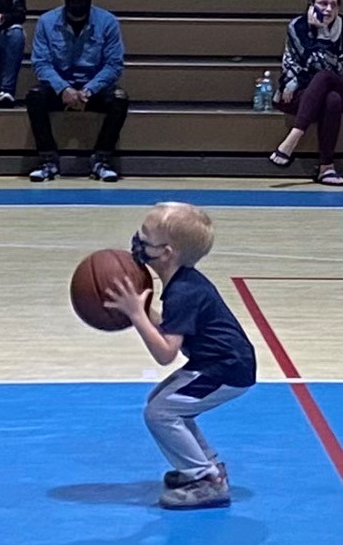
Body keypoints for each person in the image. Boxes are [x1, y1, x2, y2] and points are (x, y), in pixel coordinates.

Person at [106, 202, 256, 510]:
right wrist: (144, 310)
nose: (137, 241)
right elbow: (171, 325)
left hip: (226, 369)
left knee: (160, 412)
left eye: (144, 237)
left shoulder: (184, 291)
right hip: (215, 363)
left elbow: (165, 353)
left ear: (167, 252)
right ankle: (207, 467)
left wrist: (136, 316)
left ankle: (205, 480)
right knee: (161, 402)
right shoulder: (182, 284)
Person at [25, 0, 128, 183]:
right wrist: (63, 89)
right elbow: (41, 63)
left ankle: (101, 160)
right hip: (59, 88)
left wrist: (88, 90)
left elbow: (113, 64)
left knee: (119, 98)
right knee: (34, 97)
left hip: (94, 89)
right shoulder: (46, 21)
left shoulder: (107, 22)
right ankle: (48, 161)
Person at [269, 0, 343, 186]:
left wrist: (323, 36)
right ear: (312, 5)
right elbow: (293, 64)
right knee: (331, 100)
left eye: (333, 5)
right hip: (301, 91)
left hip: (338, 84)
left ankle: (293, 137)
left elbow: (337, 71)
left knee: (325, 77)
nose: (328, 9)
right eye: (323, 3)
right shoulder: (297, 27)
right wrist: (317, 36)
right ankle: (326, 168)